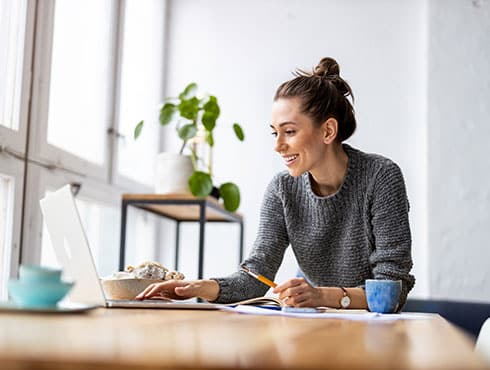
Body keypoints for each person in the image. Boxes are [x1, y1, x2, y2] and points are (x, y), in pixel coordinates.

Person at [136, 57, 415, 309]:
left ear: (328, 130)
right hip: (314, 322)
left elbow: (392, 290)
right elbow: (256, 276)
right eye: (275, 133)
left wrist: (321, 295)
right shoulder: (282, 189)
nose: (279, 146)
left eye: (289, 132)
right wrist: (200, 287)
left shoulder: (381, 177)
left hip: (374, 332)